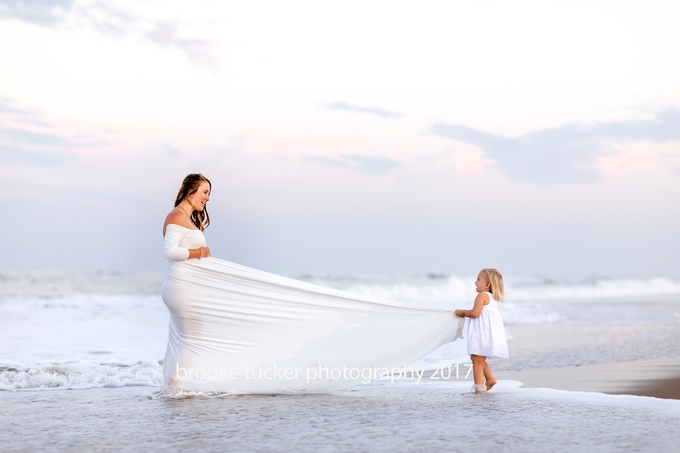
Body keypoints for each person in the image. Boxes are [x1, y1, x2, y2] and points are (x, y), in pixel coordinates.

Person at [160, 174, 466, 394]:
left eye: (209, 193)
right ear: (189, 191)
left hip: (185, 288)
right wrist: (199, 252)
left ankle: (179, 385)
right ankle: (177, 385)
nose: (208, 198)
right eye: (204, 192)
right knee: (191, 341)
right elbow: (170, 252)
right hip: (184, 290)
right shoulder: (177, 216)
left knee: (190, 341)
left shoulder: (188, 217)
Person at [455, 268, 508, 393]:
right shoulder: (492, 298)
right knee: (478, 359)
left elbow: (475, 313)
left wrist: (462, 312)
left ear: (487, 284)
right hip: (488, 335)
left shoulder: (481, 296)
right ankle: (490, 379)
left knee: (477, 364)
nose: (475, 282)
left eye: (478, 279)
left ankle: (479, 389)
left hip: (480, 335)